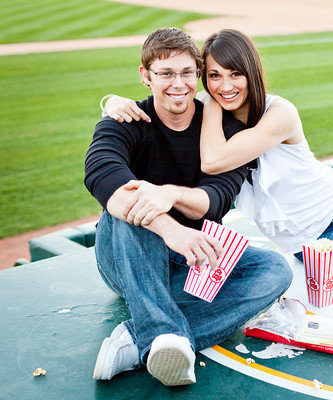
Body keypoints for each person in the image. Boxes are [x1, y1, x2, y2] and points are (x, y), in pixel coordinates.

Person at [103, 28, 333, 289]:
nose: (225, 86)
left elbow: (213, 162)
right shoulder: (207, 119)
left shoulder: (279, 111)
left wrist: (208, 101)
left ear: (250, 73)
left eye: (235, 74)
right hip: (306, 238)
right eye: (214, 76)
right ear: (203, 77)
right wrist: (113, 102)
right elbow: (183, 132)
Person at [84, 27, 292, 386]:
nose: (177, 84)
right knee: (133, 205)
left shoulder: (224, 130)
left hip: (193, 256)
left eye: (185, 73)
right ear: (145, 76)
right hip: (126, 256)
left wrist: (172, 196)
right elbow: (101, 176)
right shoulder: (125, 121)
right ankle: (161, 332)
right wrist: (169, 227)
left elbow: (217, 198)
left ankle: (140, 338)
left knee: (275, 271)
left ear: (197, 75)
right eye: (165, 73)